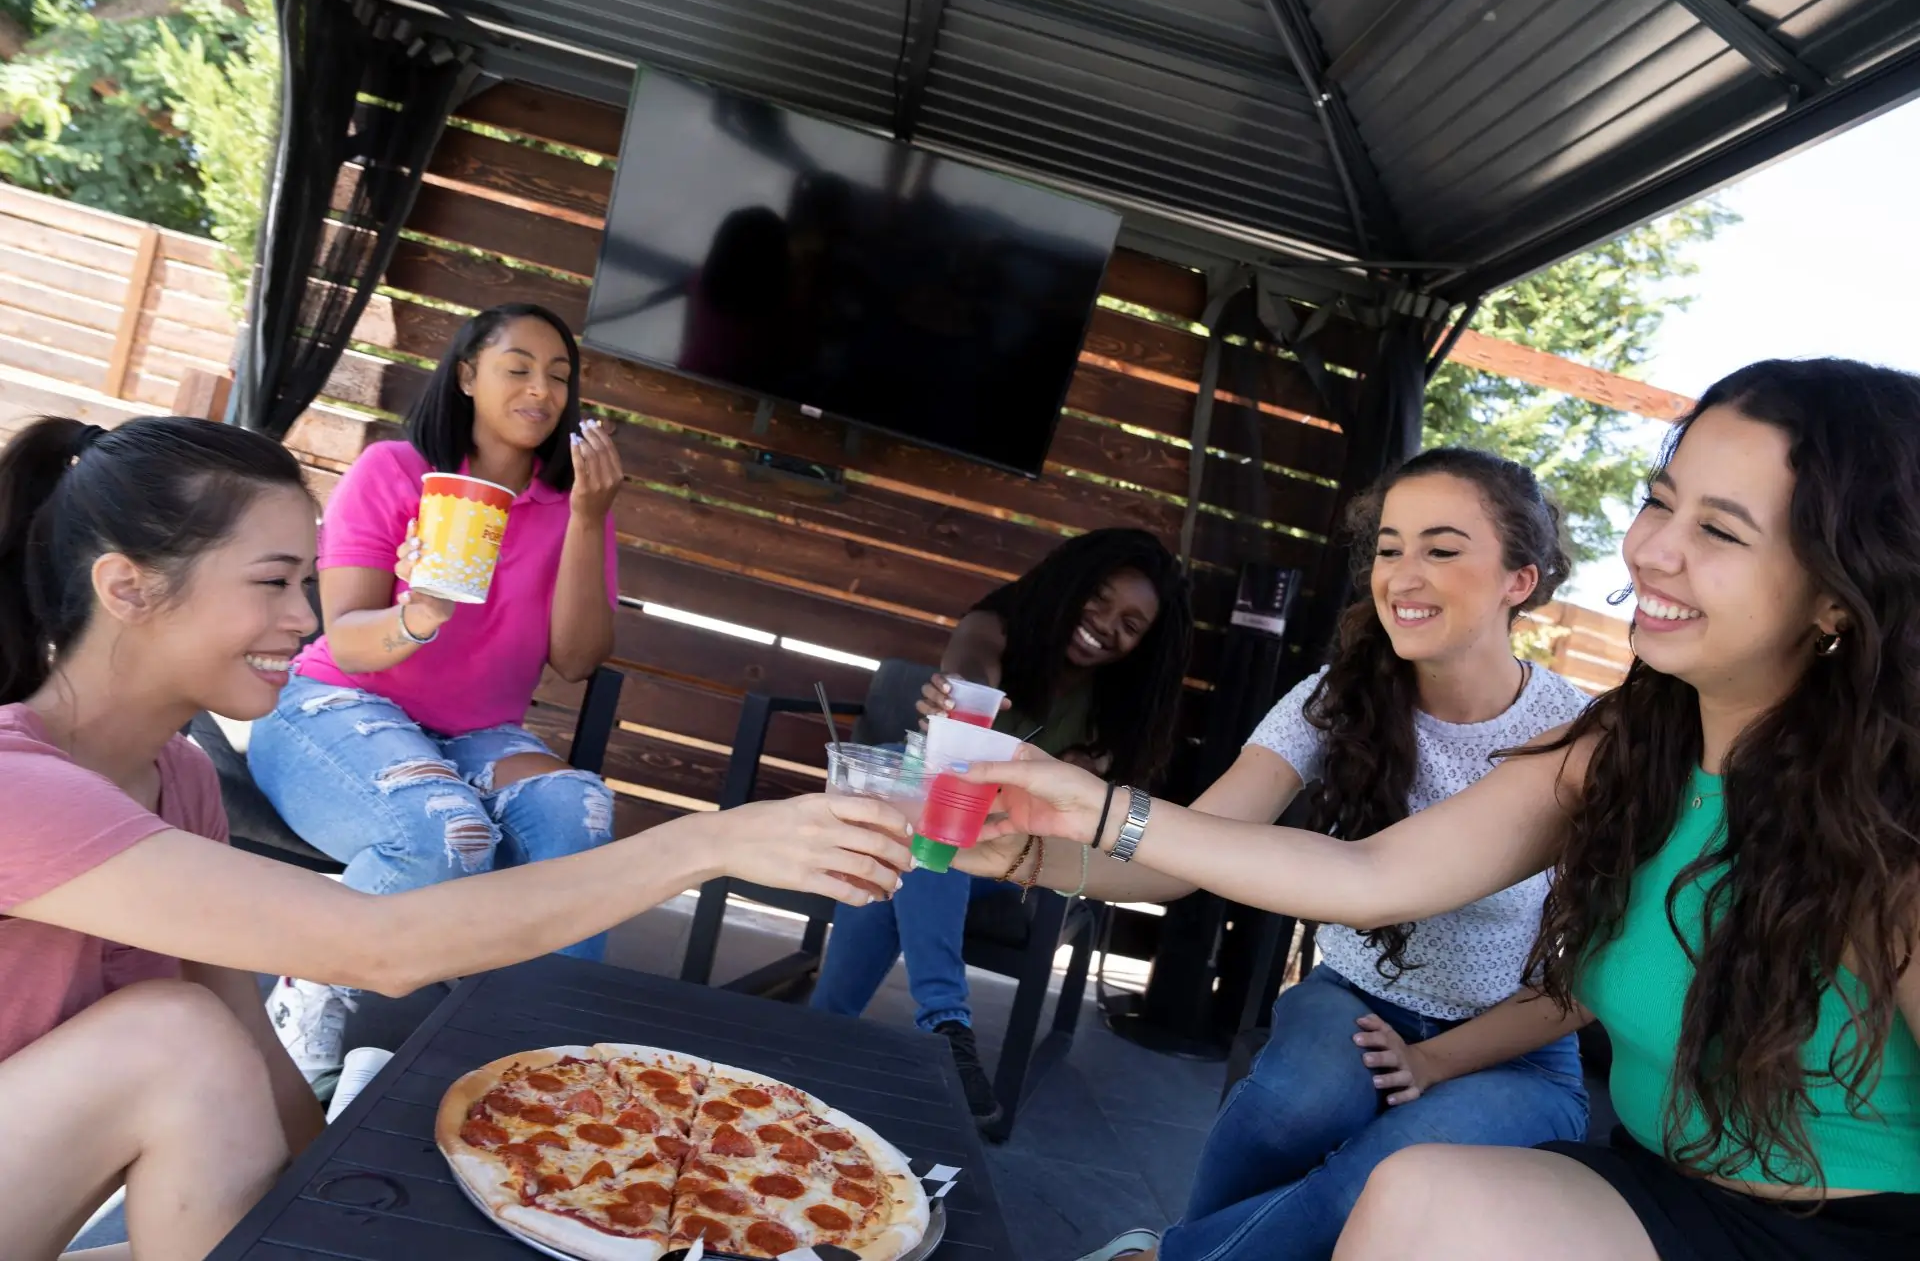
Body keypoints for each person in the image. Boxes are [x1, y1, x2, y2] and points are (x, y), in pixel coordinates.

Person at [959, 359, 1920, 1260]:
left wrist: (1446, 1059)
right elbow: (1373, 876)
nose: (1654, 552)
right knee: (1384, 1171)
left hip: (1845, 1228)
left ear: (1840, 595)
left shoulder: (1891, 828)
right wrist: (1076, 818)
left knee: (1395, 1176)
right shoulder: (1630, 743)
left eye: (1719, 530)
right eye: (1660, 503)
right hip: (1657, 1176)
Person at [0, 413, 909, 1261]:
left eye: (306, 583)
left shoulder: (179, 775)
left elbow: (248, 1029)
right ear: (126, 588)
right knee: (175, 1037)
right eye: (273, 582)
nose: (306, 619)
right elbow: (378, 948)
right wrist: (707, 844)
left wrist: (342, 1194)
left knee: (210, 1043)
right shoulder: (19, 784)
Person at [1074, 449, 1592, 1261]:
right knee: (1293, 1107)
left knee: (1398, 1163)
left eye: (1442, 549)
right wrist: (1022, 855)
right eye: (1390, 548)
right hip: (1354, 991)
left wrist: (1434, 1060)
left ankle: (1166, 1255)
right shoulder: (1334, 698)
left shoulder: (1587, 735)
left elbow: (1606, 972)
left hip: (1519, 1043)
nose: (1403, 575)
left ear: (1519, 580)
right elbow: (1181, 855)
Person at [246, 303, 624, 1081]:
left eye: (559, 376)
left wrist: (588, 516)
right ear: (466, 377)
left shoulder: (574, 509)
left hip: (474, 734)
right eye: (517, 368)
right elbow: (347, 634)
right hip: (337, 707)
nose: (542, 390)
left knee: (576, 814)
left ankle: (526, 1059)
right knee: (447, 833)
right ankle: (311, 986)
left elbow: (578, 658)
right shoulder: (394, 471)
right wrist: (419, 614)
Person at [809, 528, 1193, 1129]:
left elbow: (1081, 810)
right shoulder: (999, 628)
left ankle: (830, 1030)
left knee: (921, 841)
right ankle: (938, 1027)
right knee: (925, 840)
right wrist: (961, 700)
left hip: (1017, 863)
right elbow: (972, 664)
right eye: (1098, 598)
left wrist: (1079, 776)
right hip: (935, 841)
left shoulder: (1121, 709)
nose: (1105, 624)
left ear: (1146, 644)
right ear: (1070, 582)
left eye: (1131, 623)